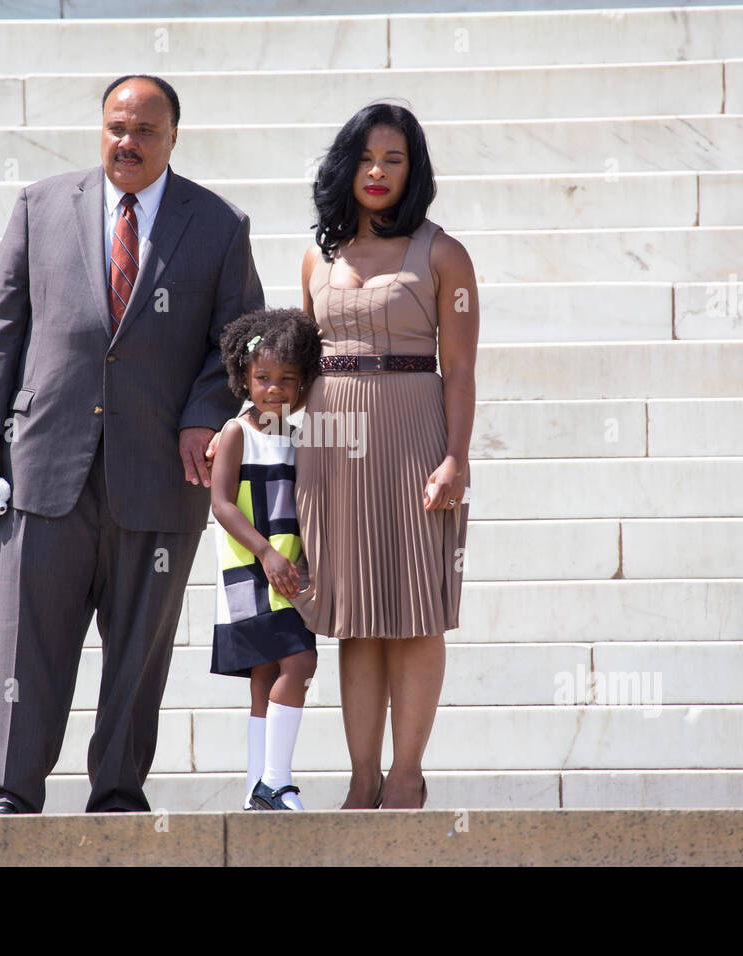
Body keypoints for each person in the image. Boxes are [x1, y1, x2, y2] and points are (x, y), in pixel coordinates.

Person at [0, 73, 263, 814]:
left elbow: (242, 339)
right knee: (25, 646)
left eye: (145, 131)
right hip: (44, 466)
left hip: (160, 473)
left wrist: (203, 412)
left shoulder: (218, 224)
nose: (127, 142)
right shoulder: (41, 205)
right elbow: (0, 325)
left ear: (172, 138)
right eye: (116, 127)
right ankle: (6, 793)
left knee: (138, 655)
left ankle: (119, 796)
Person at [296, 103, 479, 810]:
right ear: (347, 166)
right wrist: (252, 428)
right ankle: (361, 775)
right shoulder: (317, 255)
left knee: (415, 613)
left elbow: (460, 370)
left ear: (413, 171)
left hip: (414, 439)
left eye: (394, 159)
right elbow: (293, 363)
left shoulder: (443, 253)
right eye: (367, 158)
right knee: (356, 616)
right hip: (330, 447)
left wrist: (455, 458)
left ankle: (407, 775)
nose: (378, 171)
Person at [209, 308, 323, 810]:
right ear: (243, 377)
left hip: (289, 572)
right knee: (300, 661)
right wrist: (266, 553)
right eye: (262, 378)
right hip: (254, 574)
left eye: (287, 380)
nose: (274, 389)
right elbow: (221, 503)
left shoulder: (299, 438)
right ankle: (277, 781)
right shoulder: (237, 433)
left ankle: (257, 786)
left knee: (266, 676)